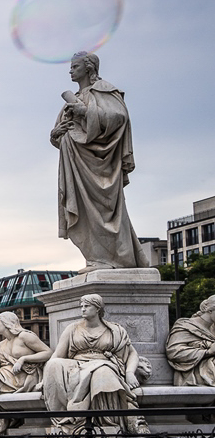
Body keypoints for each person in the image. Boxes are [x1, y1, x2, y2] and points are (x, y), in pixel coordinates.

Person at [50, 51, 149, 272]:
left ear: (88, 68)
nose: (70, 71)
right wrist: (56, 133)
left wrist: (85, 111)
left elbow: (119, 117)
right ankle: (95, 258)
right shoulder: (71, 100)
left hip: (101, 165)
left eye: (75, 66)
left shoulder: (104, 90)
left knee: (105, 210)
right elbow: (60, 133)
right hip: (77, 164)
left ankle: (116, 259)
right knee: (84, 212)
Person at [40, 293, 147, 434]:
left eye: (87, 306)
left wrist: (129, 373)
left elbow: (132, 353)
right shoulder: (72, 329)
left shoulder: (115, 330)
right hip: (77, 365)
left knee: (102, 373)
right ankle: (67, 417)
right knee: (53, 364)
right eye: (81, 306)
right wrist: (45, 378)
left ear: (97, 309)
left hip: (104, 363)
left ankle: (107, 423)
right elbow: (57, 355)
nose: (83, 309)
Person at [165, 295, 215, 386]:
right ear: (210, 310)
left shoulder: (213, 328)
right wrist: (207, 352)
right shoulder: (185, 326)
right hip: (196, 371)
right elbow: (174, 352)